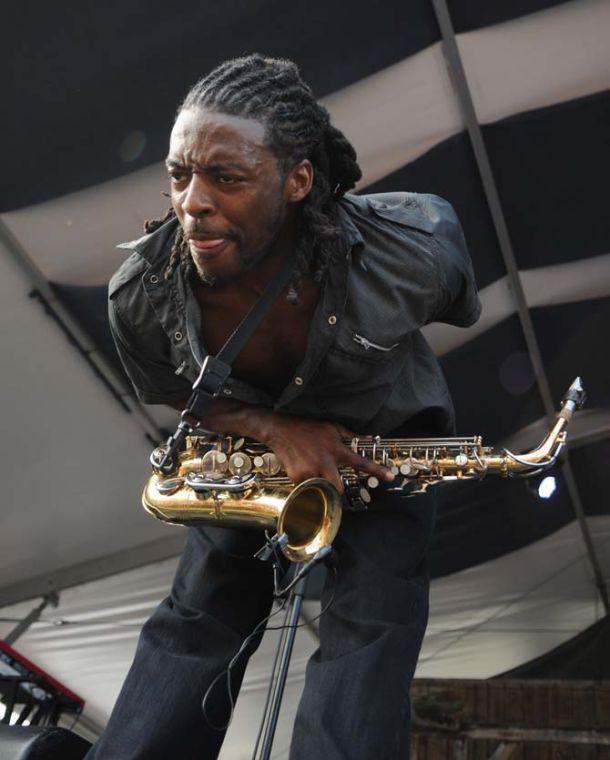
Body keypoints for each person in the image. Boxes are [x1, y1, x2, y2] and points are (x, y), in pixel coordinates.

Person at [88, 54, 480, 759]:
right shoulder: (138, 297)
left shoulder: (414, 251)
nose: (192, 202)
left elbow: (459, 301)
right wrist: (273, 430)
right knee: (197, 618)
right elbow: (174, 394)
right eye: (180, 174)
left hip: (384, 453)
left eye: (226, 178)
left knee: (374, 626)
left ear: (299, 180)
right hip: (253, 457)